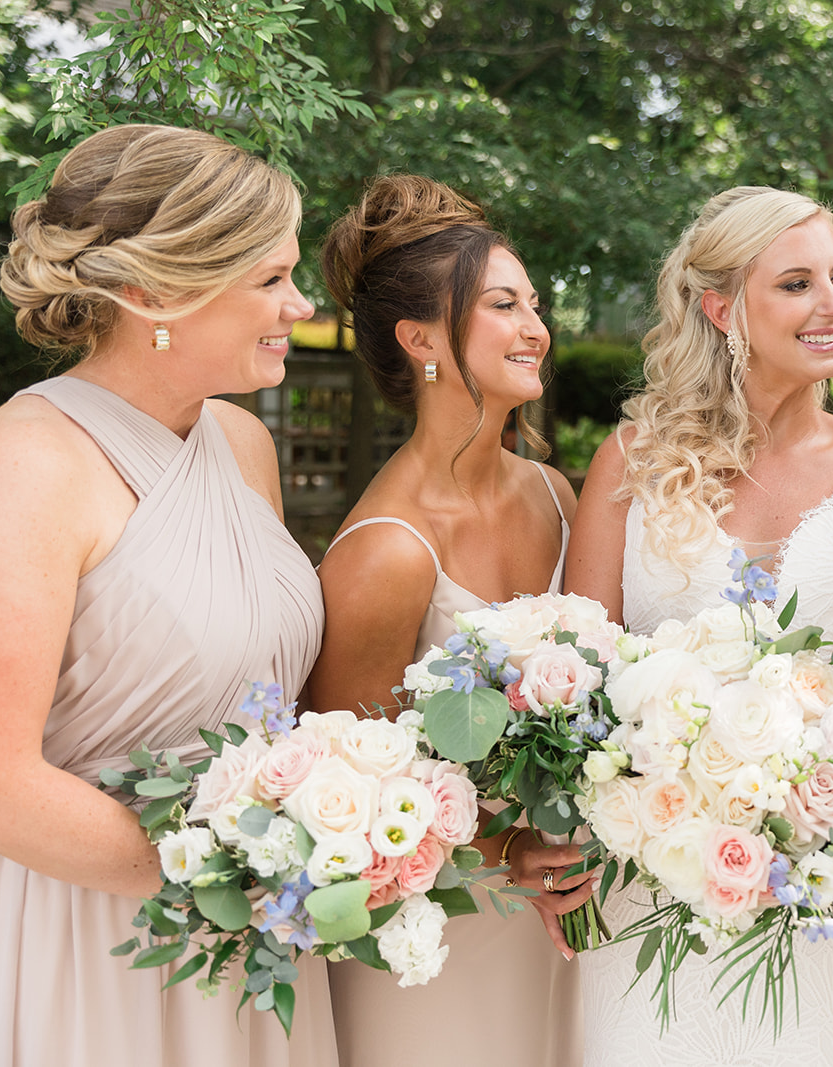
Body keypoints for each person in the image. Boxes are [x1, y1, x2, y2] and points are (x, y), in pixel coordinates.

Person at [0, 123, 333, 1065]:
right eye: (269, 279)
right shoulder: (24, 464)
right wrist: (235, 866)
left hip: (260, 940)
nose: (299, 305)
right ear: (151, 293)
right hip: (90, 940)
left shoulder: (243, 444)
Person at [565, 185, 833, 1066]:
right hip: (650, 873)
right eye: (798, 283)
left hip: (823, 886)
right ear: (721, 305)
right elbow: (578, 673)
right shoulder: (632, 462)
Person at [307, 175, 589, 1067]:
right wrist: (509, 845)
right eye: (504, 304)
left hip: (569, 901)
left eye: (533, 304)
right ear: (419, 338)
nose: (535, 327)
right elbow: (357, 793)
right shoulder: (387, 552)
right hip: (438, 929)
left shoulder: (557, 494)